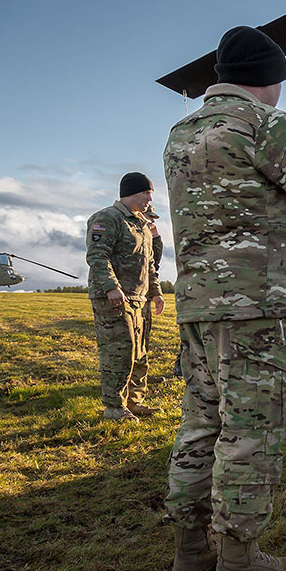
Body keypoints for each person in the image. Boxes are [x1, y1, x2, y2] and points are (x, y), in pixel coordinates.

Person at [162, 26, 286, 571]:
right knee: (250, 433)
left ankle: (190, 553)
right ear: (270, 80)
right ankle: (239, 563)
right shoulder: (265, 125)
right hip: (254, 308)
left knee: (200, 426)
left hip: (196, 308)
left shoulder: (181, 132)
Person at [85, 172, 166, 421]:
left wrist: (156, 293)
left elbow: (149, 263)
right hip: (114, 299)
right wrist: (111, 286)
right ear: (130, 193)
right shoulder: (108, 218)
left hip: (139, 299)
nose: (149, 199)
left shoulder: (141, 224)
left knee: (139, 353)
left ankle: (134, 402)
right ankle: (114, 407)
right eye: (146, 194)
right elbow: (97, 256)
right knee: (119, 353)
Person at [139, 205, 165, 385]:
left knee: (144, 338)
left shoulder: (148, 236)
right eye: (150, 217)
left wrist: (155, 237)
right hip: (132, 295)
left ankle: (141, 376)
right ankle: (130, 379)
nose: (153, 221)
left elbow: (154, 263)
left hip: (146, 294)